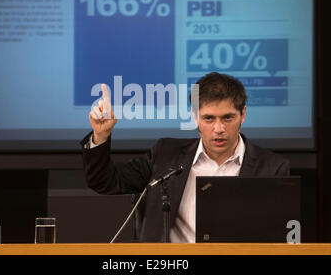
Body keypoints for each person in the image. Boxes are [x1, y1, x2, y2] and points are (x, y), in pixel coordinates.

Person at [80, 72, 289, 243]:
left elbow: (281, 238)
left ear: (243, 114)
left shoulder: (272, 167)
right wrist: (101, 135)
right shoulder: (165, 155)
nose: (218, 129)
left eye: (228, 118)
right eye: (209, 118)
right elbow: (104, 182)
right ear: (195, 116)